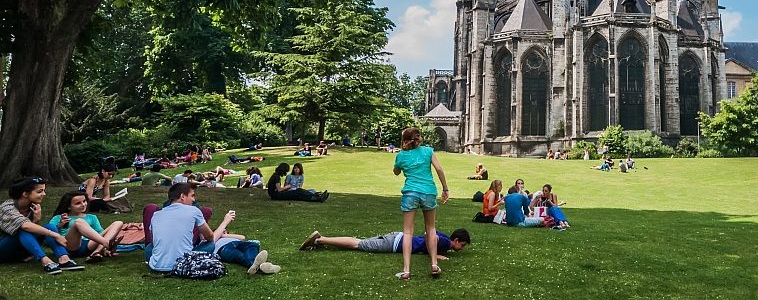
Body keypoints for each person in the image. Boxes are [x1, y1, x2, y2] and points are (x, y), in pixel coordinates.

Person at [148, 182, 279, 275]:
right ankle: (256, 265)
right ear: (182, 196)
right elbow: (210, 238)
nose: (193, 200)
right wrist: (226, 221)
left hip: (156, 266)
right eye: (192, 196)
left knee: (149, 248)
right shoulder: (193, 211)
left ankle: (256, 265)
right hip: (182, 263)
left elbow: (155, 241)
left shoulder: (156, 214)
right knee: (210, 245)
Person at [392, 126, 450, 281]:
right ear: (418, 138)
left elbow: (396, 172)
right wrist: (445, 189)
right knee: (431, 228)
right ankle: (433, 264)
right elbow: (439, 169)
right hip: (428, 192)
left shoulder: (401, 155)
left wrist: (403, 153)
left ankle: (406, 270)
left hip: (410, 193)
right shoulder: (428, 151)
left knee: (408, 232)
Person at [0, 177, 81, 274]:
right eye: (40, 191)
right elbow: (25, 226)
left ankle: (64, 259)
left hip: (20, 250)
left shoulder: (32, 206)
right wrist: (56, 235)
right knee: (23, 229)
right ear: (25, 193)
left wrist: (36, 219)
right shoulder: (7, 207)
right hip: (3, 249)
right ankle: (46, 261)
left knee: (50, 227)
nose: (44, 194)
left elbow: (32, 230)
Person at [299, 228, 470, 259]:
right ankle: (319, 240)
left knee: (359, 242)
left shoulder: (446, 241)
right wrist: (435, 255)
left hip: (397, 237)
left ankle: (322, 239)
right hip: (395, 244)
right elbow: (429, 235)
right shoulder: (446, 242)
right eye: (461, 245)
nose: (461, 249)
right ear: (455, 240)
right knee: (357, 245)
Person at [48, 192, 124, 261]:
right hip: (70, 246)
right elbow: (48, 234)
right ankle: (107, 244)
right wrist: (60, 225)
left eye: (84, 201)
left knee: (118, 223)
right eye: (78, 203)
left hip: (89, 245)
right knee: (79, 222)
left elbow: (100, 232)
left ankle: (96, 252)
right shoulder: (58, 217)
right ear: (69, 207)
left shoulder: (91, 217)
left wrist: (103, 247)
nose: (83, 204)